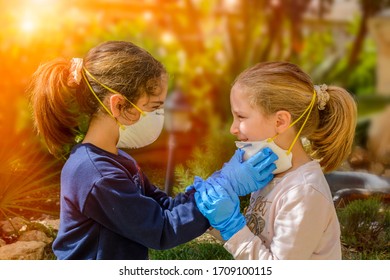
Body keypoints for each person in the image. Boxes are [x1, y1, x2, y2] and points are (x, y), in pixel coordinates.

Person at [28, 41, 277, 260]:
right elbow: (160, 230)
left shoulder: (118, 159)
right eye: (154, 106)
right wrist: (226, 189)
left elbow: (163, 206)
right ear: (119, 105)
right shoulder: (97, 175)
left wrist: (218, 183)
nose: (159, 115)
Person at [193, 61, 357, 259]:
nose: (233, 129)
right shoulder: (269, 174)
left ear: (280, 121)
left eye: (241, 117)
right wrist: (214, 218)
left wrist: (232, 226)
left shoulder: (304, 192)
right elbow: (256, 240)